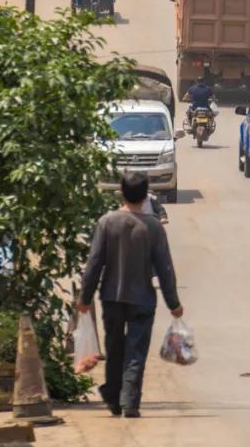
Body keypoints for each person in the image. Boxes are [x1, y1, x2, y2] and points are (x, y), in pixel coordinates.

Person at [77, 170, 183, 418]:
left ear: (121, 193)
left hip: (111, 298)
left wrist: (84, 298)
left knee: (114, 349)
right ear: (146, 195)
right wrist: (173, 303)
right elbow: (165, 268)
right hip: (143, 299)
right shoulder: (154, 227)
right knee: (136, 351)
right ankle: (130, 401)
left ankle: (114, 399)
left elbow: (94, 263)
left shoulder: (107, 222)